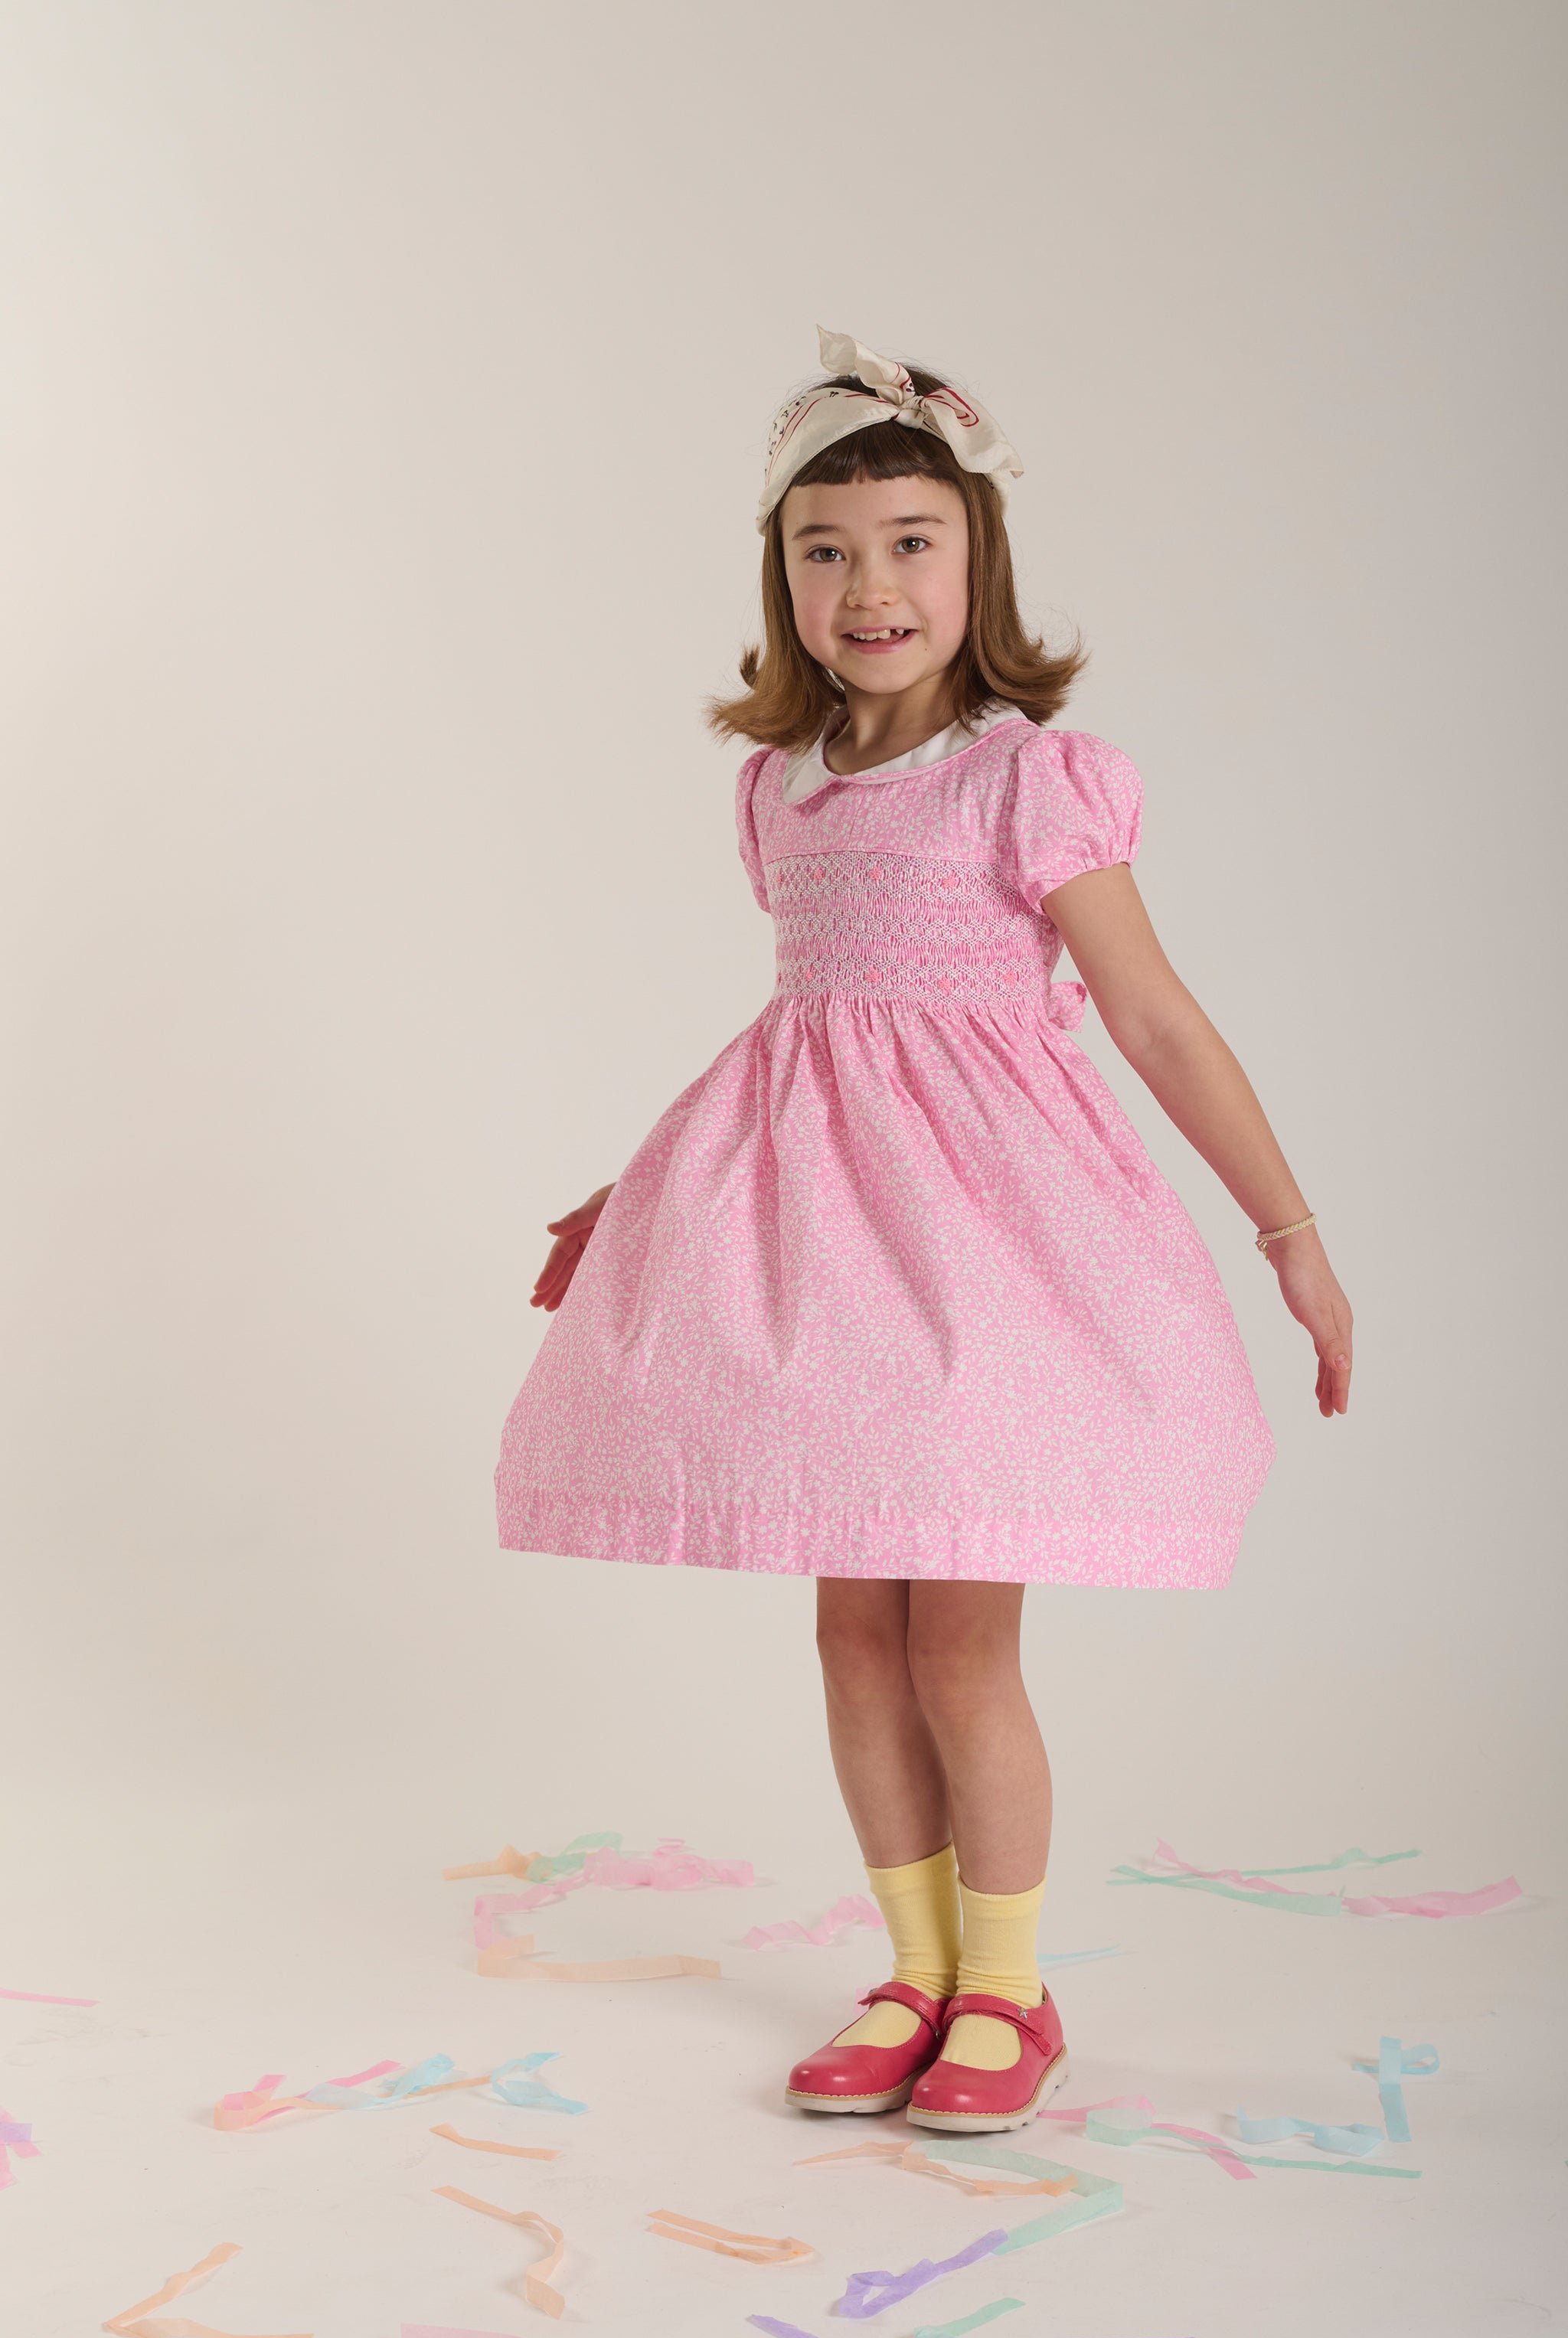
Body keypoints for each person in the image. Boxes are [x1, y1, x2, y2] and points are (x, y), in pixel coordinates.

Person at [495, 328, 1353, 2134]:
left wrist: (1287, 1229)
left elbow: (1156, 1017)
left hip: (988, 1258)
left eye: (908, 543)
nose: (868, 584)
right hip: (822, 1260)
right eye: (826, 549)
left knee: (961, 1636)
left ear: (976, 567)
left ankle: (1011, 1990)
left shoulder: (1026, 776)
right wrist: (631, 1192)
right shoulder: (778, 791)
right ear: (781, 577)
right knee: (851, 1634)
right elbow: (795, 1036)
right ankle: (910, 1963)